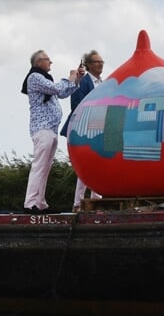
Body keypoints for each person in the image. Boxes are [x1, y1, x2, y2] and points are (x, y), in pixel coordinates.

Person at [21, 50, 83, 213]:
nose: (51, 62)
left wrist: (76, 80)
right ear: (38, 62)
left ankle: (39, 202)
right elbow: (56, 88)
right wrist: (70, 77)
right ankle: (31, 203)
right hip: (43, 129)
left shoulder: (43, 78)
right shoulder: (35, 77)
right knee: (39, 166)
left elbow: (63, 92)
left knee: (45, 167)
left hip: (50, 129)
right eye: (48, 60)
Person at [67, 50, 104, 209]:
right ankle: (78, 202)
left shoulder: (102, 82)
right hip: (85, 127)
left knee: (98, 162)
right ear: (88, 65)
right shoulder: (84, 81)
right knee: (85, 165)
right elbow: (75, 103)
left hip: (99, 126)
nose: (100, 64)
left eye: (102, 61)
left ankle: (96, 197)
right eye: (96, 61)